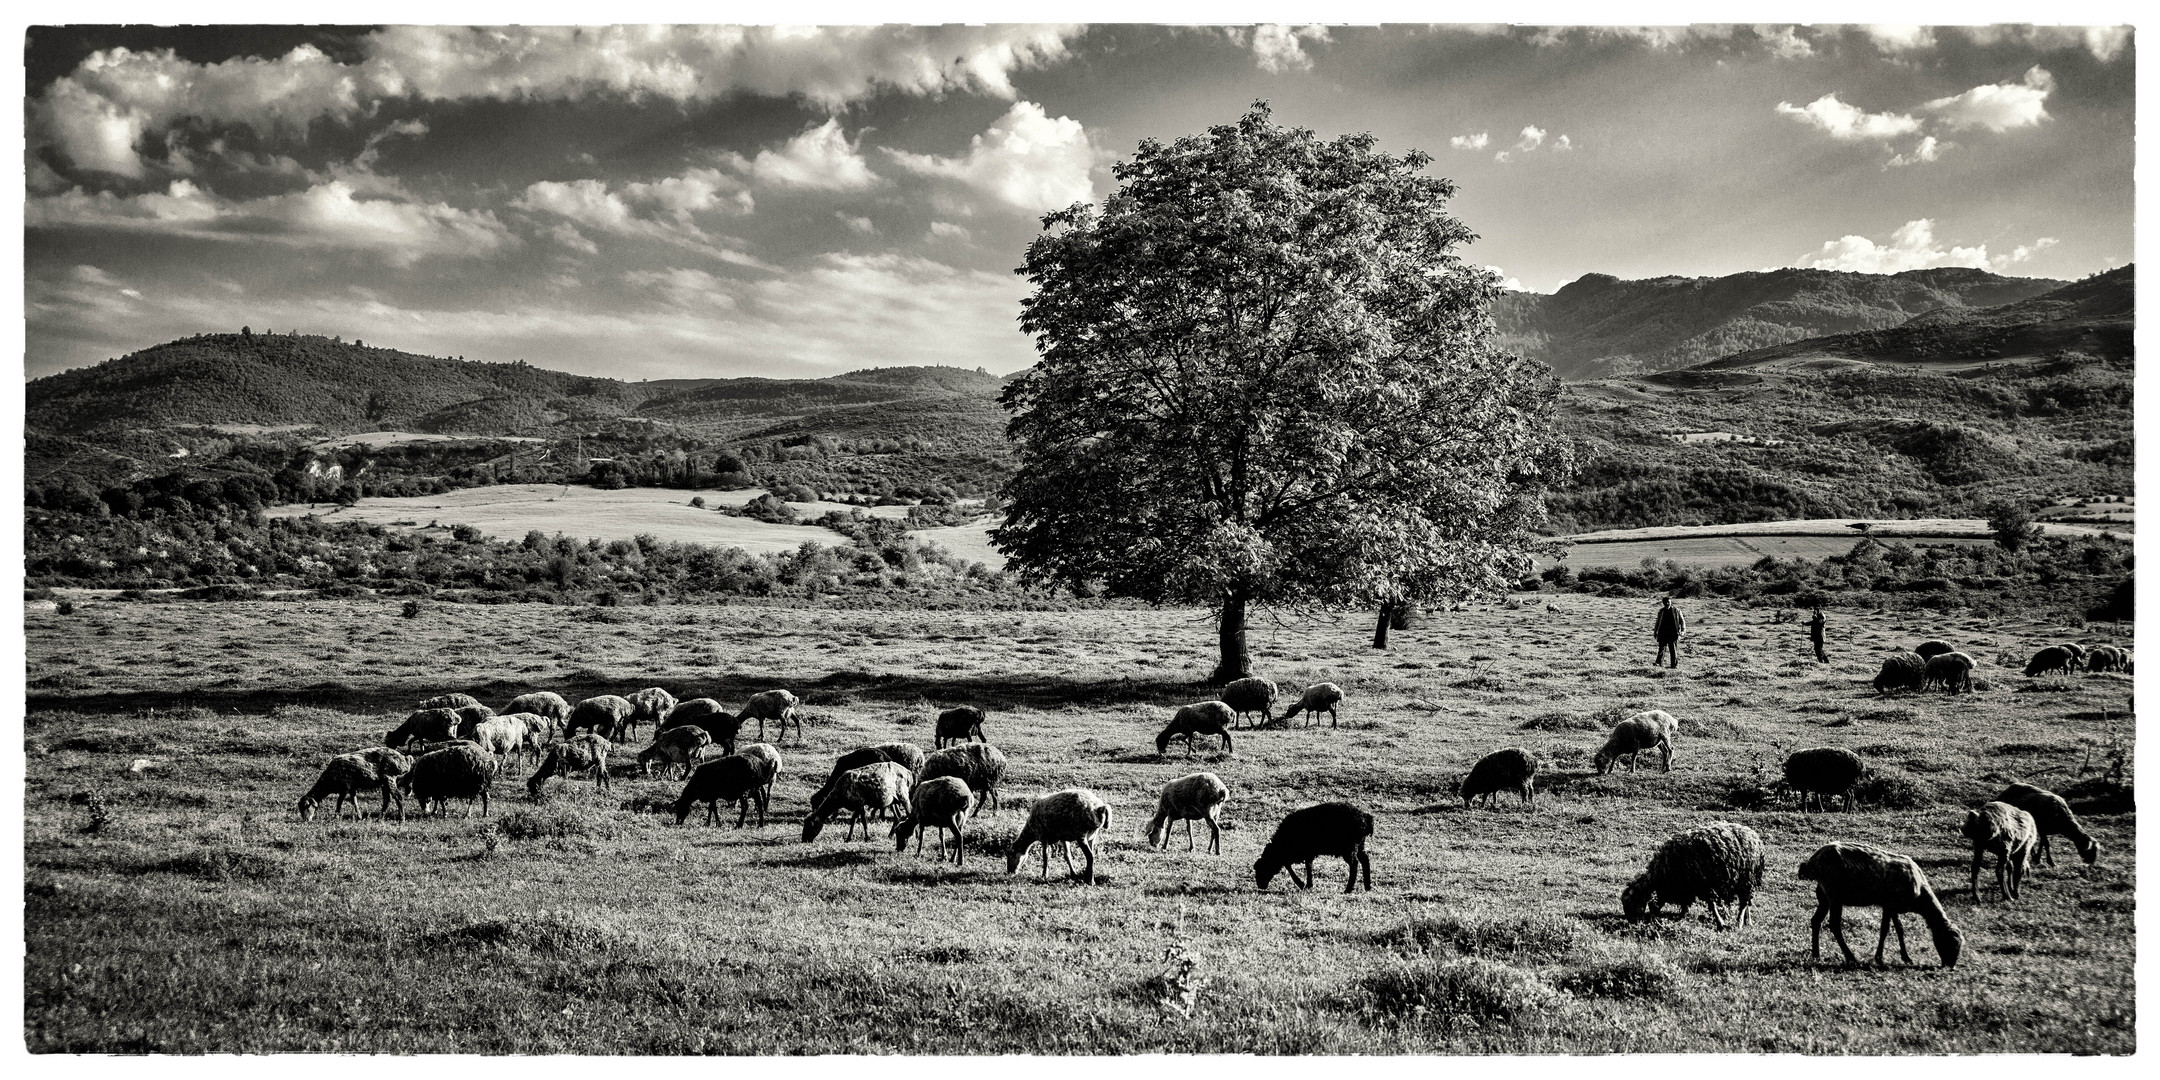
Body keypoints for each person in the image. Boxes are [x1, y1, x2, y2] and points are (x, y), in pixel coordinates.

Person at [1654, 597, 1684, 668]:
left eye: (1668, 602)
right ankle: (1658, 664)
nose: (1667, 604)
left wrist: (1682, 631)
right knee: (1661, 649)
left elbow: (1682, 621)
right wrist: (1655, 632)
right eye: (1665, 602)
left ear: (1671, 602)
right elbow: (1657, 622)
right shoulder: (1661, 611)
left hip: (1673, 633)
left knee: (1673, 650)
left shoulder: (1677, 611)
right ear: (1663, 603)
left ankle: (1673, 665)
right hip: (1663, 632)